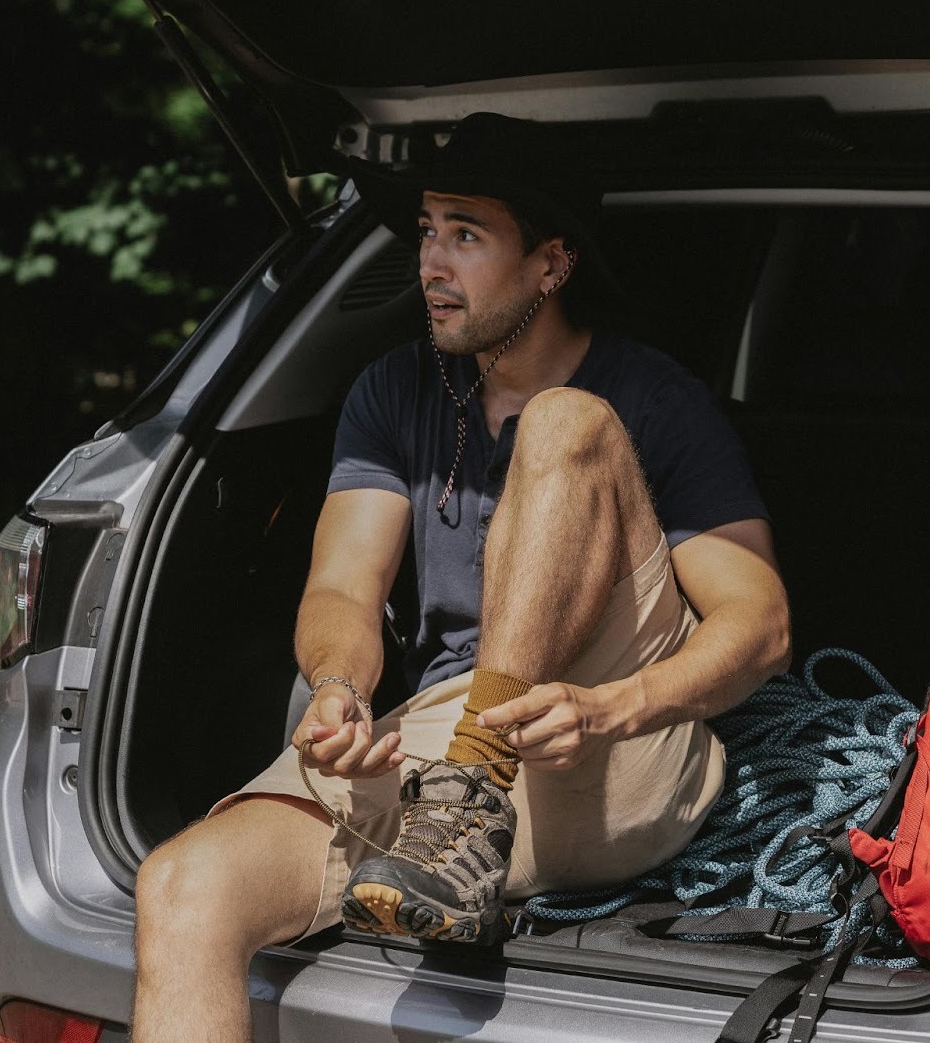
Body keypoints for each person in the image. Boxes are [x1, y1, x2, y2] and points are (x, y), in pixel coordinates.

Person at [129, 113, 790, 1041]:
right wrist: (337, 687)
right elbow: (342, 592)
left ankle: (474, 785)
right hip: (440, 741)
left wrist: (614, 707)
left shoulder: (654, 399)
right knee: (181, 886)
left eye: (467, 237)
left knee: (566, 423)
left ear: (551, 265)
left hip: (614, 731)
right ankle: (464, 797)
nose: (432, 264)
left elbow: (758, 627)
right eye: (428, 233)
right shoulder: (394, 391)